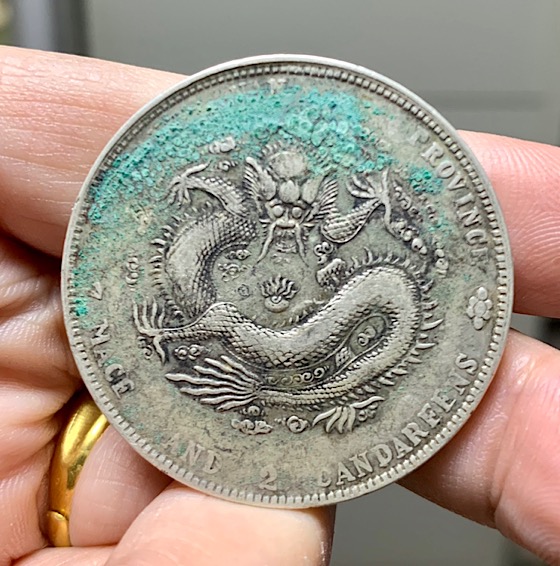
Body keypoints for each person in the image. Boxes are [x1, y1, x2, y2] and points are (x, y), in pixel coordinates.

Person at [1, 46, 559, 566]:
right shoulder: (255, 293)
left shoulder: (247, 313)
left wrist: (168, 338)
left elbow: (234, 313)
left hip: (357, 309)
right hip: (363, 304)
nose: (286, 212)